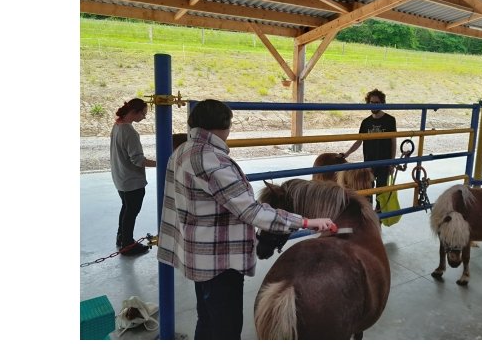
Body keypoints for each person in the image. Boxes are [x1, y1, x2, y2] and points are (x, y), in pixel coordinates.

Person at [156, 99, 335, 340]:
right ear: (224, 126)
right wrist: (306, 222)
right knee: (226, 329)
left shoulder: (182, 151)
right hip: (220, 262)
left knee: (207, 320)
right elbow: (251, 211)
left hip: (198, 257)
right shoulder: (212, 161)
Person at [110, 98, 156, 256]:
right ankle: (127, 245)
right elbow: (137, 160)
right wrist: (161, 163)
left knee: (126, 209)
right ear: (134, 112)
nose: (144, 117)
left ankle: (122, 238)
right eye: (143, 113)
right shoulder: (129, 131)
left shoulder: (117, 125)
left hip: (121, 178)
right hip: (132, 181)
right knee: (131, 212)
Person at [341, 89, 397, 211]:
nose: (374, 105)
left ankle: (379, 221)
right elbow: (359, 141)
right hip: (369, 163)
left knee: (381, 194)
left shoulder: (390, 120)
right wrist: (347, 154)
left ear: (382, 103)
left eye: (377, 102)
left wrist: (392, 162)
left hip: (384, 162)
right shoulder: (365, 122)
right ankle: (369, 218)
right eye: (371, 102)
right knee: (367, 193)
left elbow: (393, 141)